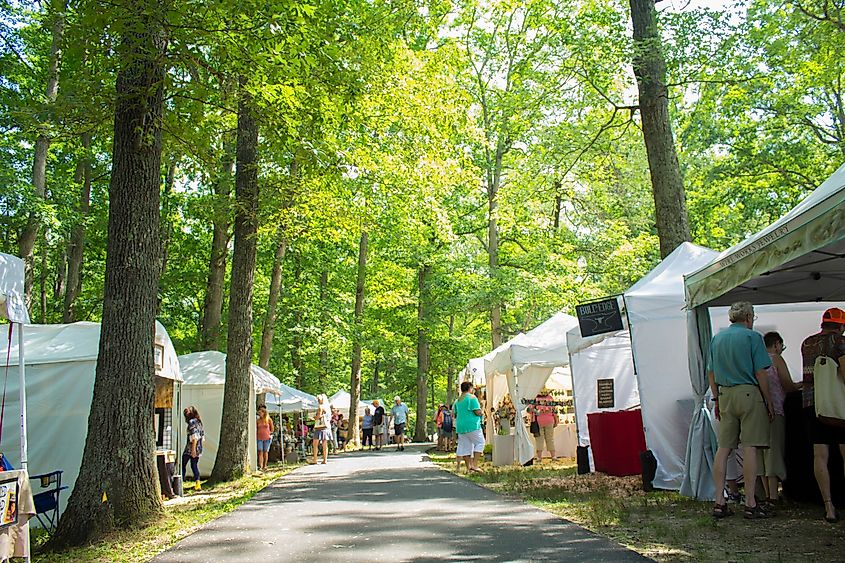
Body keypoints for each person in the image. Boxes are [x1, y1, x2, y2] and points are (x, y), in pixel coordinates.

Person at [708, 301, 774, 519]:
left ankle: (719, 501)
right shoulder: (752, 337)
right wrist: (768, 401)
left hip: (725, 395)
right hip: (749, 394)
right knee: (750, 447)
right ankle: (750, 502)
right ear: (748, 317)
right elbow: (760, 372)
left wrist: (717, 399)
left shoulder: (717, 339)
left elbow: (711, 373)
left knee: (724, 448)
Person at [801, 307, 845, 523]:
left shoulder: (807, 343)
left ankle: (828, 506)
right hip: (838, 406)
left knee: (820, 455)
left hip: (812, 403)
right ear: (841, 325)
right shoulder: (839, 342)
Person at [761, 332, 800, 503]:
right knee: (774, 451)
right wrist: (800, 385)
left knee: (761, 452)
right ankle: (774, 495)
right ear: (777, 344)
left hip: (758, 410)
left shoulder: (757, 360)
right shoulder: (776, 359)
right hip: (775, 409)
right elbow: (787, 384)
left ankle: (765, 493)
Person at [454, 381, 484, 473]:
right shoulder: (472, 398)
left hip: (460, 426)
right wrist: (482, 410)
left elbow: (455, 414)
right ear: (470, 388)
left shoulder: (457, 400)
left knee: (465, 446)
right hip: (472, 425)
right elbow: (477, 412)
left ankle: (468, 467)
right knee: (480, 442)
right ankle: (474, 465)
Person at [529, 389, 558, 462]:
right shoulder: (550, 398)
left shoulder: (535, 398)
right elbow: (554, 411)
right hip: (549, 420)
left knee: (539, 439)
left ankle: (539, 458)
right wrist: (556, 420)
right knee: (550, 439)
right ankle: (553, 456)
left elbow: (530, 410)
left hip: (539, 421)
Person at [182, 406, 204, 492]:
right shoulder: (199, 422)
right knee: (194, 465)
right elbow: (201, 436)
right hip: (199, 447)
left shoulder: (192, 422)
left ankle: (180, 482)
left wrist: (193, 449)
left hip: (191, 448)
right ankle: (198, 483)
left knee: (182, 464)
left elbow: (194, 437)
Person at [312, 394, 333, 464]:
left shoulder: (320, 407)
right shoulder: (328, 408)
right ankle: (325, 459)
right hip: (327, 426)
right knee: (325, 443)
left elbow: (319, 416)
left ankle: (315, 459)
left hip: (319, 427)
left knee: (315, 444)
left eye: (318, 399)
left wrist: (314, 418)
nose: (317, 401)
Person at [256, 404, 274, 471]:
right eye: (259, 413)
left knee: (265, 451)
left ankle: (265, 465)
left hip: (267, 438)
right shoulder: (258, 421)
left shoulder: (268, 420)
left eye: (261, 413)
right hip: (259, 438)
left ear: (264, 413)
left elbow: (272, 429)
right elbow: (256, 428)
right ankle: (260, 465)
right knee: (260, 451)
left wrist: (269, 433)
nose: (260, 414)